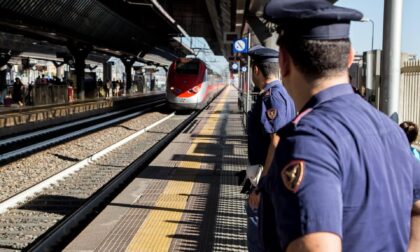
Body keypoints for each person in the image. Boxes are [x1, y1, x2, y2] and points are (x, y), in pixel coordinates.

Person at [259, 0, 420, 251]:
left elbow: (315, 247)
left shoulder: (306, 140)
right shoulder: (390, 130)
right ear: (349, 57)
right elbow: (417, 207)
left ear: (284, 62)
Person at [244, 45, 295, 252]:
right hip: (272, 177)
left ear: (256, 70)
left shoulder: (271, 97)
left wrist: (261, 185)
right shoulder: (283, 94)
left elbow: (276, 141)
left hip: (268, 181)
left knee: (259, 237)